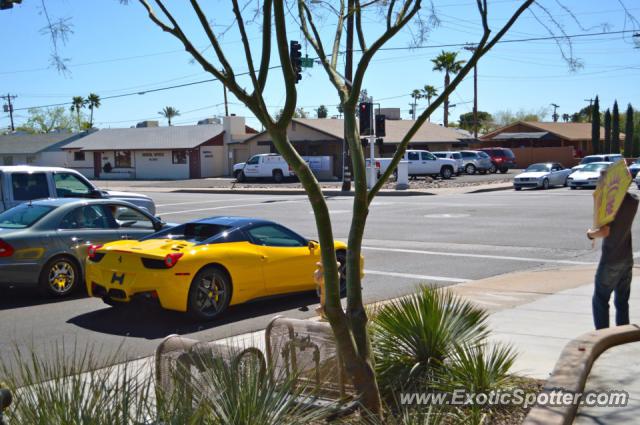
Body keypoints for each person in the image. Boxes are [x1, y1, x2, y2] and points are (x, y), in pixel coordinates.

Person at [588, 192, 639, 329]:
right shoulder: (633, 200)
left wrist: (590, 234)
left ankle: (602, 335)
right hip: (626, 258)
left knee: (600, 300)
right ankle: (622, 334)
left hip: (611, 259)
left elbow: (604, 232)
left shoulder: (611, 203)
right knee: (622, 302)